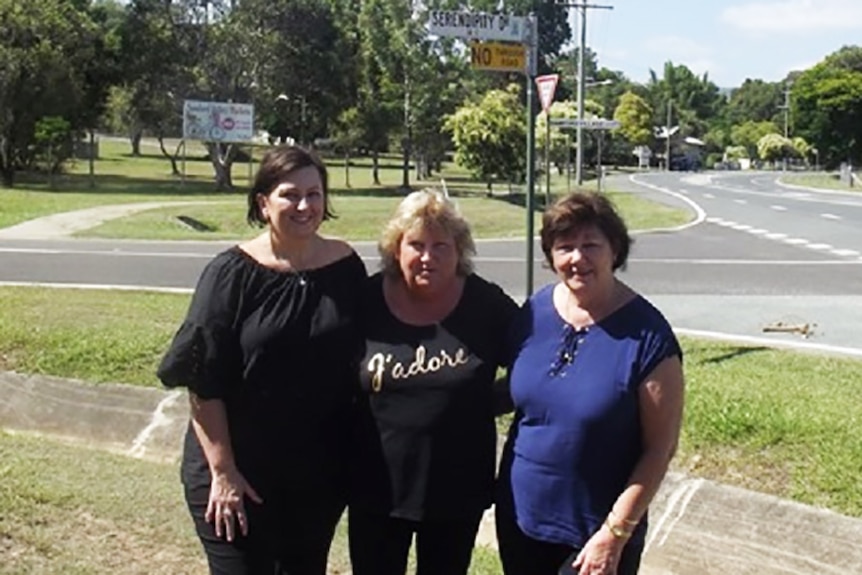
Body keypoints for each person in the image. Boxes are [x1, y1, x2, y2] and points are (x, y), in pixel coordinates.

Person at [157, 145, 366, 575]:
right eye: (290, 194)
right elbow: (204, 378)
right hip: (237, 475)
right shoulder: (230, 274)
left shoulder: (346, 266)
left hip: (315, 477)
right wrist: (224, 472)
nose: (305, 205)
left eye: (315, 193)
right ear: (263, 203)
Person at [496, 191, 685, 575]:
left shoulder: (649, 338)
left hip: (595, 533)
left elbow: (659, 449)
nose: (577, 258)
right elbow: (519, 391)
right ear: (550, 256)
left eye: (590, 245)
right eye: (564, 247)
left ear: (614, 250)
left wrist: (615, 533)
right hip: (520, 517)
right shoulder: (535, 312)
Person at [349, 189, 518, 575]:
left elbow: (531, 367)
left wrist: (484, 401)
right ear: (396, 249)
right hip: (375, 485)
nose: (428, 257)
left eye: (441, 245)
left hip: (456, 488)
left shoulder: (486, 305)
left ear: (460, 251)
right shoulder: (365, 300)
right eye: (416, 245)